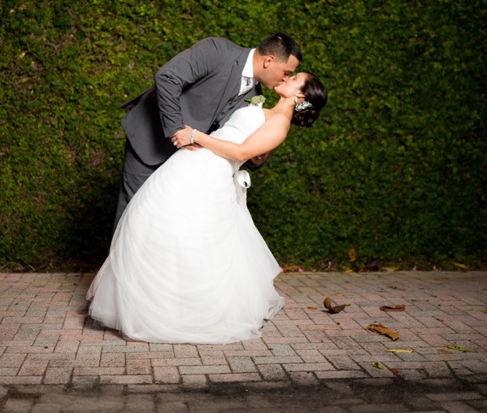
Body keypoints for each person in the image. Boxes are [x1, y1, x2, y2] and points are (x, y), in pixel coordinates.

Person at [88, 71, 327, 344]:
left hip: (209, 174)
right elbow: (254, 153)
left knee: (189, 236)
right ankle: (159, 306)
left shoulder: (281, 123)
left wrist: (196, 136)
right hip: (192, 165)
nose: (287, 76)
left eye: (295, 78)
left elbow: (239, 153)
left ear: (300, 96)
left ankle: (182, 314)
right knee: (154, 224)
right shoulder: (268, 111)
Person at [114, 33, 303, 228]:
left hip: (183, 165)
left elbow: (233, 140)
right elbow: (168, 78)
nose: (285, 79)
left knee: (163, 223)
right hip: (150, 142)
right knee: (131, 218)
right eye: (286, 72)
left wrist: (257, 157)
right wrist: (177, 130)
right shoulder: (217, 50)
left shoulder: (255, 95)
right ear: (269, 61)